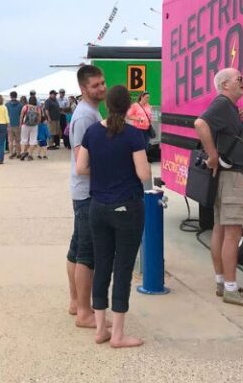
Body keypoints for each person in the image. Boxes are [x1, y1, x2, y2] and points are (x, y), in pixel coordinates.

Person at [76, 85, 150, 347]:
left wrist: (103, 174)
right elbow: (143, 174)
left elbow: (81, 167)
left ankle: (100, 329)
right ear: (129, 106)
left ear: (107, 105)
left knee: (102, 265)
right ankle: (118, 334)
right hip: (127, 207)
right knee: (123, 268)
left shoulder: (92, 132)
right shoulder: (132, 135)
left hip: (98, 206)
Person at [194, 68, 243, 308]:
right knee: (233, 232)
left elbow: (240, 140)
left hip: (229, 176)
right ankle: (231, 289)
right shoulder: (222, 104)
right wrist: (212, 156)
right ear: (224, 85)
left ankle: (222, 282)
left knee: (221, 229)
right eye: (238, 79)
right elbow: (200, 124)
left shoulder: (229, 108)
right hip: (232, 177)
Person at [67, 65, 107, 327]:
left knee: (76, 249)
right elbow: (82, 159)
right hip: (87, 192)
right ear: (83, 89)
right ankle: (84, 312)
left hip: (83, 191)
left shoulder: (91, 111)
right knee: (87, 254)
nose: (102, 88)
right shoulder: (85, 116)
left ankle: (75, 302)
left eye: (102, 83)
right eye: (95, 86)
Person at [19, 95, 40, 161]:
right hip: (34, 125)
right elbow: (39, 117)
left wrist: (21, 123)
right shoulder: (37, 108)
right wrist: (37, 123)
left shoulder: (25, 107)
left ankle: (22, 152)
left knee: (23, 139)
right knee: (33, 140)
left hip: (25, 125)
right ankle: (30, 155)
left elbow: (21, 115)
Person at [5, 91, 23, 159]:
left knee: (10, 141)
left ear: (10, 96)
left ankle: (11, 153)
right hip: (18, 124)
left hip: (9, 124)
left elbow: (6, 115)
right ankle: (18, 153)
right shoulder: (20, 105)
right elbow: (22, 115)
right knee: (18, 141)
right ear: (16, 96)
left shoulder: (7, 105)